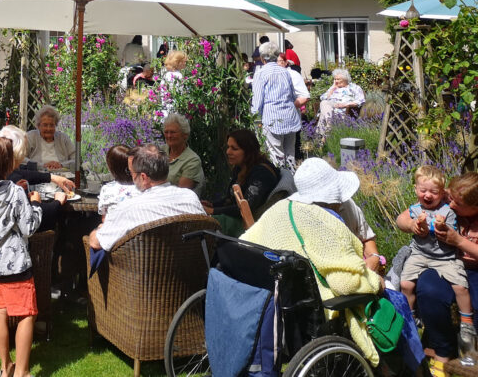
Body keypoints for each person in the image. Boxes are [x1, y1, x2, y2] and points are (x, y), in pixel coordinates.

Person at [241, 165, 386, 368]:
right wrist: (374, 279)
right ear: (332, 198)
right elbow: (345, 283)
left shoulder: (278, 210)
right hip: (319, 309)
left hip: (278, 305)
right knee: (395, 303)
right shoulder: (326, 223)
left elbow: (245, 243)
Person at [0, 136, 43, 377]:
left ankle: (5, 368)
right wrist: (36, 204)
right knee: (26, 315)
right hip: (15, 266)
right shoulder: (14, 193)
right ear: (5, 163)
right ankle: (22, 372)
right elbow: (29, 227)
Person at [89, 145, 205, 251]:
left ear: (143, 177)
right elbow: (208, 232)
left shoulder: (130, 208)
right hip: (190, 271)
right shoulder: (190, 198)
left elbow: (96, 243)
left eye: (132, 173)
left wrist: (98, 230)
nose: (132, 178)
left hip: (141, 272)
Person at [397, 167, 471, 330]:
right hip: (419, 254)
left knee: (460, 286)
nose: (428, 195)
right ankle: (410, 317)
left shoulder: (447, 210)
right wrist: (414, 225)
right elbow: (401, 221)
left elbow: (449, 232)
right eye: (423, 190)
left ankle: (467, 322)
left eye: (434, 192)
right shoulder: (415, 209)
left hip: (445, 257)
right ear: (416, 189)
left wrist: (440, 225)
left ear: (442, 193)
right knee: (405, 284)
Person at [416, 173, 478, 366]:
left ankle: (470, 353)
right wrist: (413, 225)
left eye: (458, 204)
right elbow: (404, 217)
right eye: (451, 199)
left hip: (475, 268)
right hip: (446, 262)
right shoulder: (448, 198)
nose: (451, 205)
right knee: (428, 289)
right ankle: (442, 347)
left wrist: (459, 241)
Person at [202, 129, 280, 237]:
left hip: (253, 226)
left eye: (234, 148)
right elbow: (232, 199)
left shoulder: (262, 174)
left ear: (248, 151)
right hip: (240, 219)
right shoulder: (242, 167)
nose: (228, 152)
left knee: (203, 224)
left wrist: (212, 210)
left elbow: (246, 208)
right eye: (228, 147)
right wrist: (212, 204)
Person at [250, 40, 302, 167]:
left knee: (276, 155)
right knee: (290, 155)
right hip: (290, 115)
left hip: (272, 116)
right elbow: (293, 95)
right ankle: (291, 181)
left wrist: (254, 118)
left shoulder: (260, 74)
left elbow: (257, 101)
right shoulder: (285, 72)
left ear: (262, 58)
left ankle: (281, 184)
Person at [25, 105, 76, 171]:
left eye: (52, 125)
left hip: (62, 176)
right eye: (45, 125)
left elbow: (76, 159)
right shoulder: (31, 137)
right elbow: (20, 159)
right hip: (37, 176)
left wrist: (61, 165)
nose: (48, 129)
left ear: (56, 125)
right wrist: (42, 165)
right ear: (38, 125)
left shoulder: (63, 138)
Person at [163, 113, 205, 193]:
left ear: (185, 135)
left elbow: (181, 194)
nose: (168, 136)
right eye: (166, 132)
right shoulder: (160, 151)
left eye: (173, 132)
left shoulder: (192, 160)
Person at [96, 144, 140, 219]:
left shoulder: (107, 189)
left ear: (111, 168)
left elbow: (105, 219)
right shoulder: (141, 187)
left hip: (114, 228)